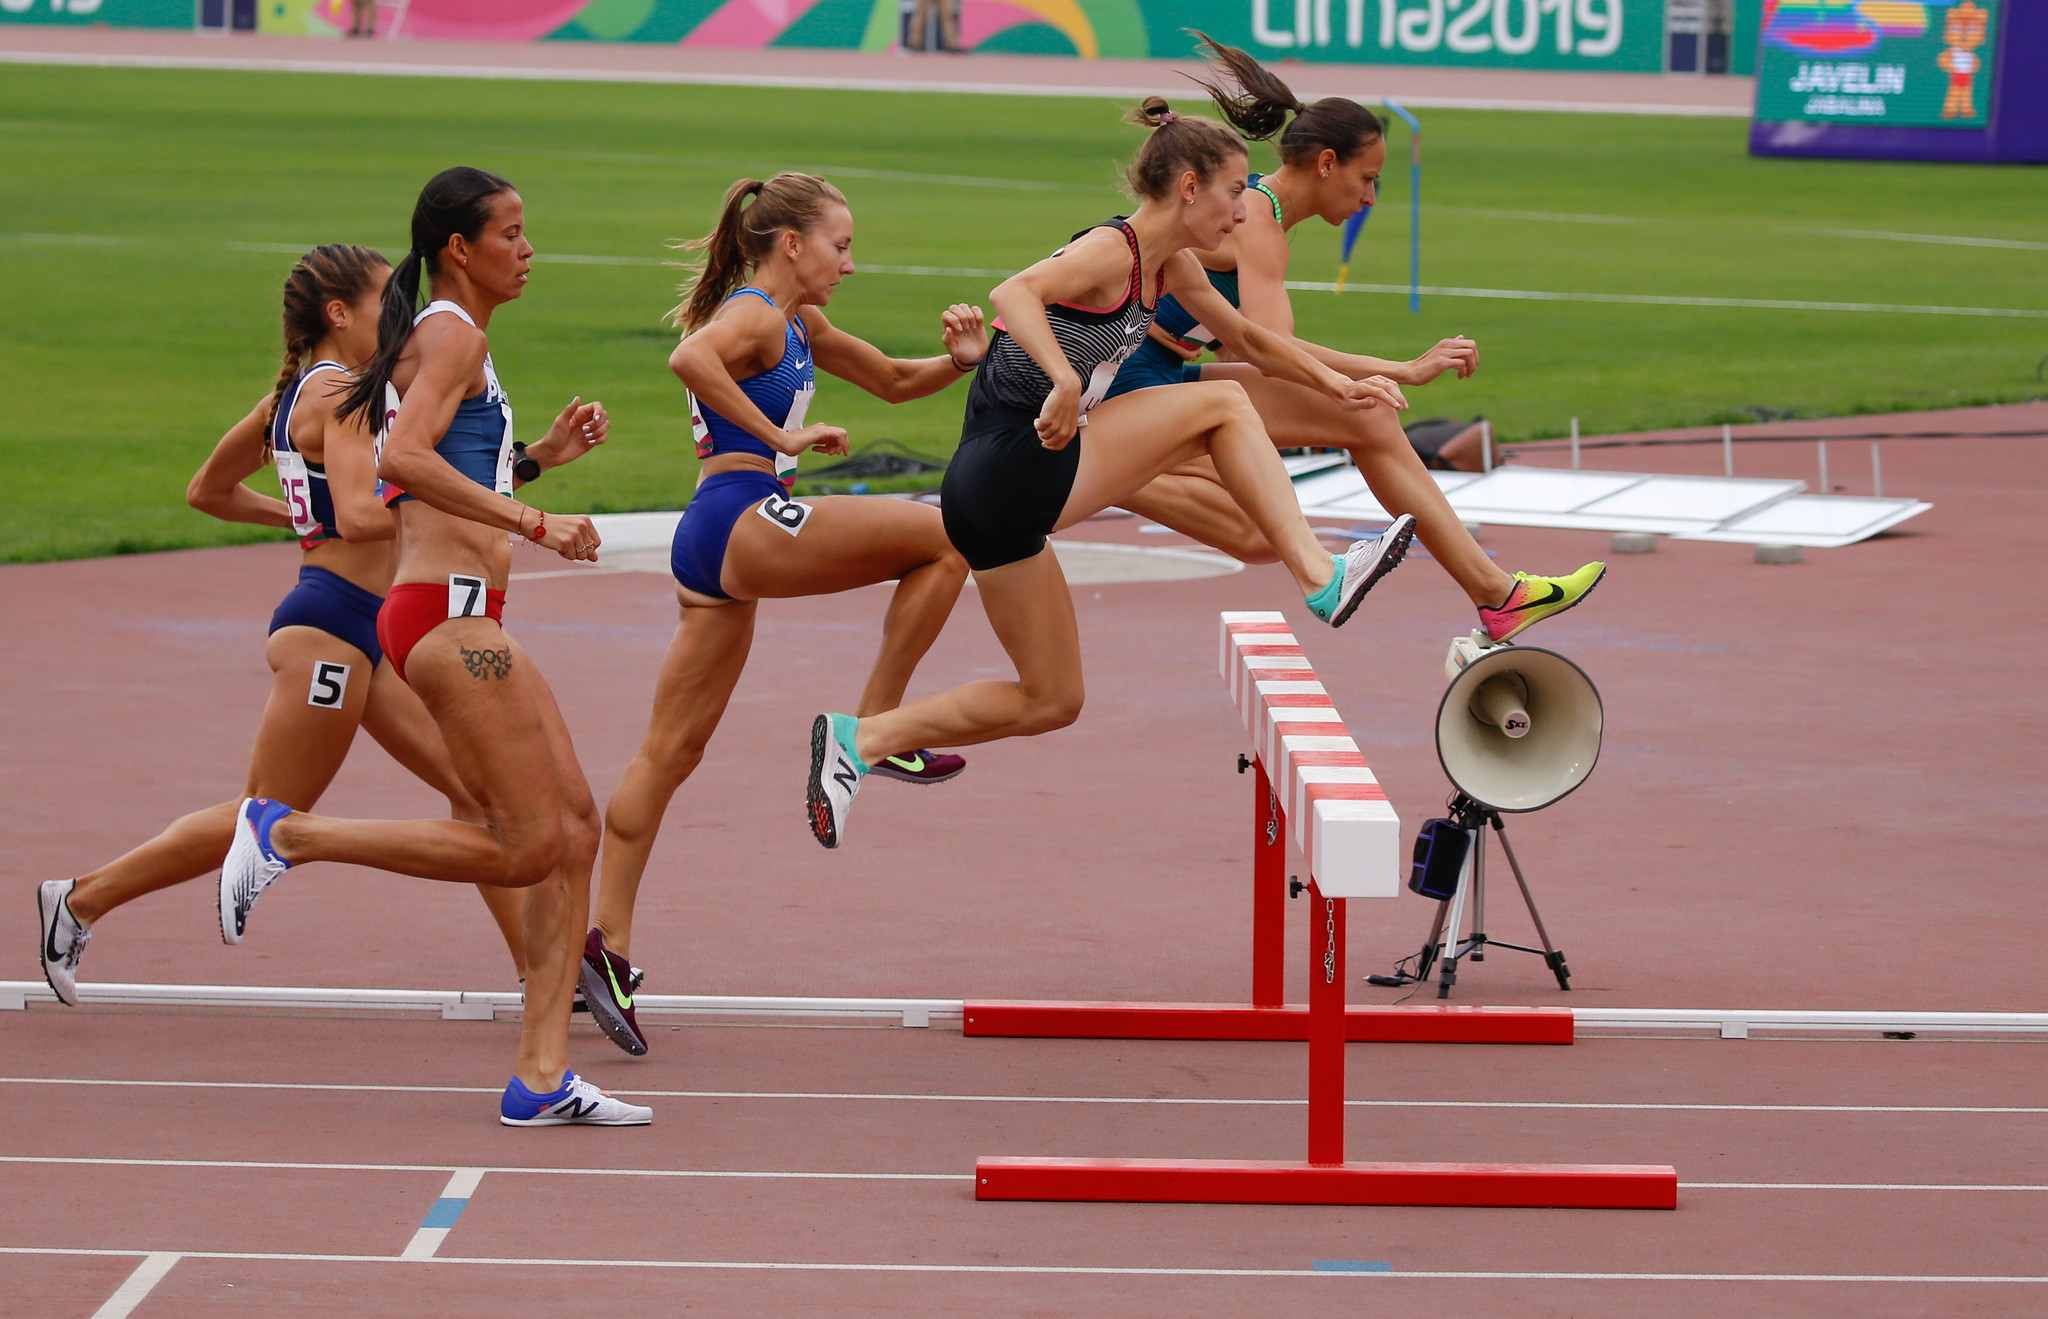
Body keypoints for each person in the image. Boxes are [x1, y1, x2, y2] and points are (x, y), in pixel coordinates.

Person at [804, 97, 1419, 850]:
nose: (1240, 213)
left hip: (996, 503)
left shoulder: (1175, 267)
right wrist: (1064, 380)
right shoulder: (1114, 250)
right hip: (1013, 465)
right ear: (1189, 187)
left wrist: (1340, 387)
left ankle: (859, 738)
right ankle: (1322, 577)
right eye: (1233, 193)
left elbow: (1252, 339)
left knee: (1051, 697)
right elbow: (1012, 293)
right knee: (1220, 404)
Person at [213, 167, 649, 1127]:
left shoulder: (448, 343)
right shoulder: (453, 332)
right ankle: (284, 832)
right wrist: (536, 519)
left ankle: (541, 1075)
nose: (529, 249)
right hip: (446, 621)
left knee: (575, 828)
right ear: (460, 248)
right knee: (528, 843)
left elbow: (429, 460)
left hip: (467, 614)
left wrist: (533, 459)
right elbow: (401, 461)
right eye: (513, 233)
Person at [36, 243, 524, 1008]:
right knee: (265, 814)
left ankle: (541, 973)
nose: (398, 323)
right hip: (332, 628)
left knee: (479, 794)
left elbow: (209, 489)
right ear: (339, 315)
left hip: (368, 629)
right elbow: (366, 513)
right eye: (383, 310)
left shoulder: (293, 395)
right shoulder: (339, 394)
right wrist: (351, 522)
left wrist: (307, 519)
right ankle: (79, 898)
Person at [587, 174, 986, 1026]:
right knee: (950, 536)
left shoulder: (799, 323)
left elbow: (888, 379)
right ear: (792, 244)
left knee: (668, 755)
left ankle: (601, 946)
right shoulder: (760, 314)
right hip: (741, 514)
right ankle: (872, 731)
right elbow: (688, 357)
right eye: (841, 245)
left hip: (716, 544)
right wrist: (779, 436)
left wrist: (959, 363)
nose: (851, 261)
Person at [1112, 33, 1604, 646]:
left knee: (1267, 532)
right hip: (1126, 380)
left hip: (1158, 373)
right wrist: (1399, 370)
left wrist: (1374, 376)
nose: (1369, 198)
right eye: (1367, 179)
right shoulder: (1257, 223)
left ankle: (1499, 597)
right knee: (1363, 419)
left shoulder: (1255, 218)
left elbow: (1236, 340)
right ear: (1326, 164)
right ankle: (1498, 595)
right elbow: (1269, 350)